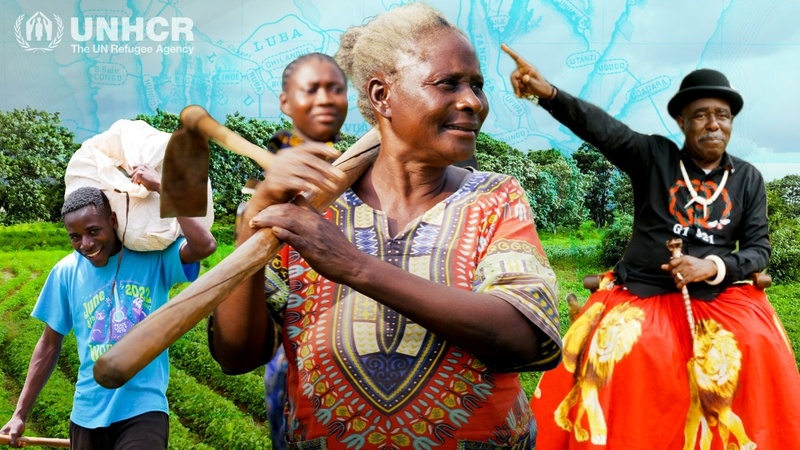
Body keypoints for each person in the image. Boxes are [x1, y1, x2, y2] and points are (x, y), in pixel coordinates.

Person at [207, 3, 561, 447]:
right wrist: (249, 231)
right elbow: (237, 355)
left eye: (477, 86)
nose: (473, 101)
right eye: (448, 83)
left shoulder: (495, 197)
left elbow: (521, 337)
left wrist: (353, 266)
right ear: (381, 96)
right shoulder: (310, 213)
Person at [501, 45, 800, 449]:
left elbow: (759, 250)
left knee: (758, 346)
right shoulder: (653, 157)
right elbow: (601, 128)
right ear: (681, 120)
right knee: (627, 354)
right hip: (642, 292)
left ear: (731, 123)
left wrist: (710, 266)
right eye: (701, 115)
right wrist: (548, 92)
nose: (714, 124)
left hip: (720, 294)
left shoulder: (747, 178)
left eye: (723, 116)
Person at [1, 169, 217, 449]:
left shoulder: (153, 256)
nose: (86, 244)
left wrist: (163, 188)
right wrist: (20, 414)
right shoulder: (66, 272)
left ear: (113, 221)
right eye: (75, 237)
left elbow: (205, 245)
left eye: (93, 231)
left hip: (143, 410)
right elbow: (48, 345)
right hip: (86, 413)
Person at [259, 52, 349, 450]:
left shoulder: (352, 162)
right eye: (310, 89)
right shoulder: (278, 155)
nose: (325, 99)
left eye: (335, 89)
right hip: (291, 348)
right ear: (285, 102)